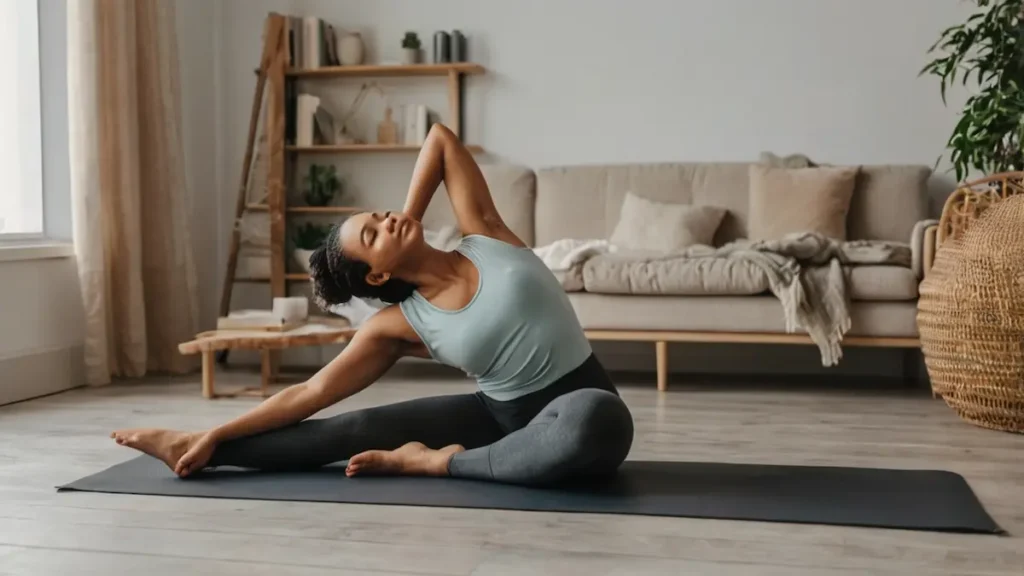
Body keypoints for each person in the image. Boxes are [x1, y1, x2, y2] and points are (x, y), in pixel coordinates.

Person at [111, 123, 634, 486]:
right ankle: (191, 445)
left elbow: (439, 140)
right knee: (351, 430)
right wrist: (216, 433)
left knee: (597, 417)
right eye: (374, 233)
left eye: (380, 215)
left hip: (582, 412)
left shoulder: (486, 235)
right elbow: (311, 393)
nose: (387, 220)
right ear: (378, 275)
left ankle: (434, 464)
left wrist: (406, 219)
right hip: (501, 419)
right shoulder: (399, 324)